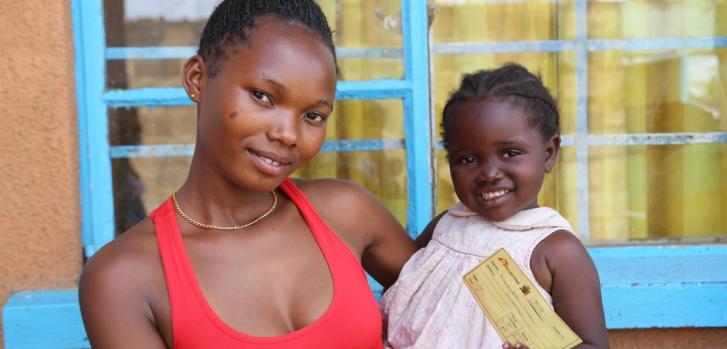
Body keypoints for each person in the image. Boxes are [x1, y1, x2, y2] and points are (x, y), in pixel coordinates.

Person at [79, 1, 417, 348]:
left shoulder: (346, 212)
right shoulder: (125, 278)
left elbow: (448, 298)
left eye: (313, 116)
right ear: (197, 79)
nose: (288, 133)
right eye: (263, 96)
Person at [380, 63, 609, 349]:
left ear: (549, 153)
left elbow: (593, 345)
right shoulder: (448, 224)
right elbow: (408, 286)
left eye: (510, 153)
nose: (489, 173)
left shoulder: (557, 251)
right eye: (467, 159)